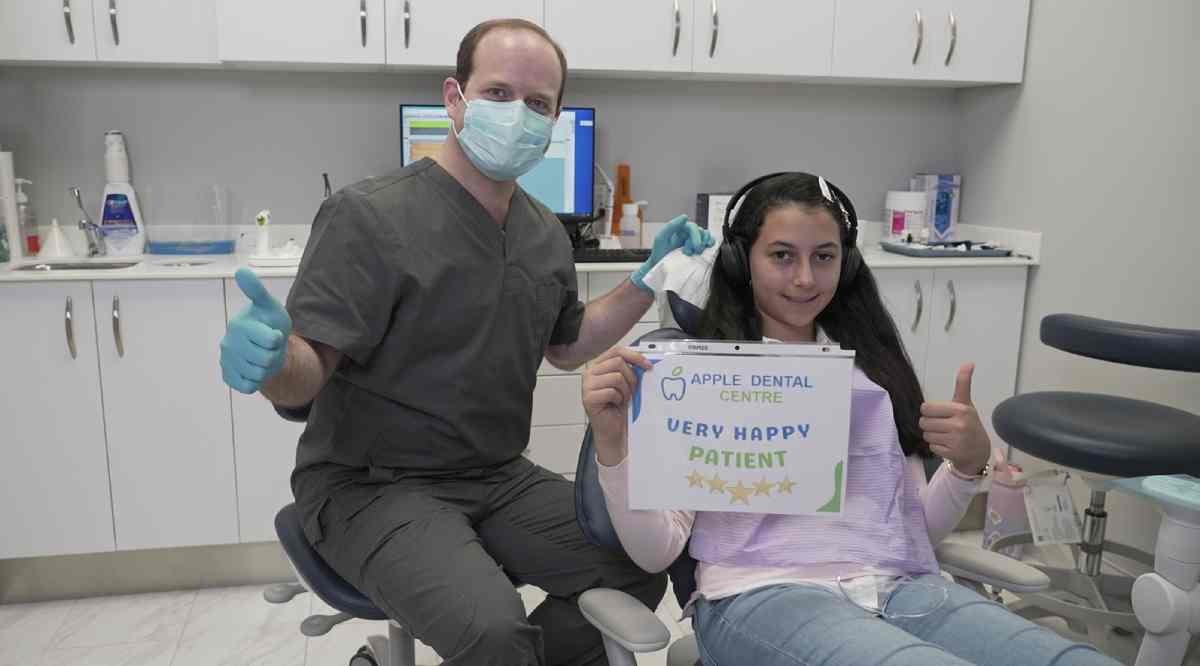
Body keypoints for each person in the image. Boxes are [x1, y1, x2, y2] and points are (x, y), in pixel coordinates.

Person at [218, 18, 714, 666]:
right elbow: (308, 372)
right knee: (494, 633)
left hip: (496, 474)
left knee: (636, 562)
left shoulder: (544, 234)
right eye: (499, 94)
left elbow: (564, 345)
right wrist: (274, 359)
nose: (519, 116)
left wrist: (647, 281)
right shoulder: (367, 215)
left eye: (539, 104)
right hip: (370, 484)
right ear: (455, 100)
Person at [582, 172, 1123, 666]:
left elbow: (909, 530)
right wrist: (614, 445)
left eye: (824, 256)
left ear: (848, 263)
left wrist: (965, 467)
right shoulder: (702, 377)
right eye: (781, 256)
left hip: (900, 588)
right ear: (741, 261)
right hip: (759, 595)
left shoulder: (869, 371)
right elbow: (656, 552)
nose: (804, 278)